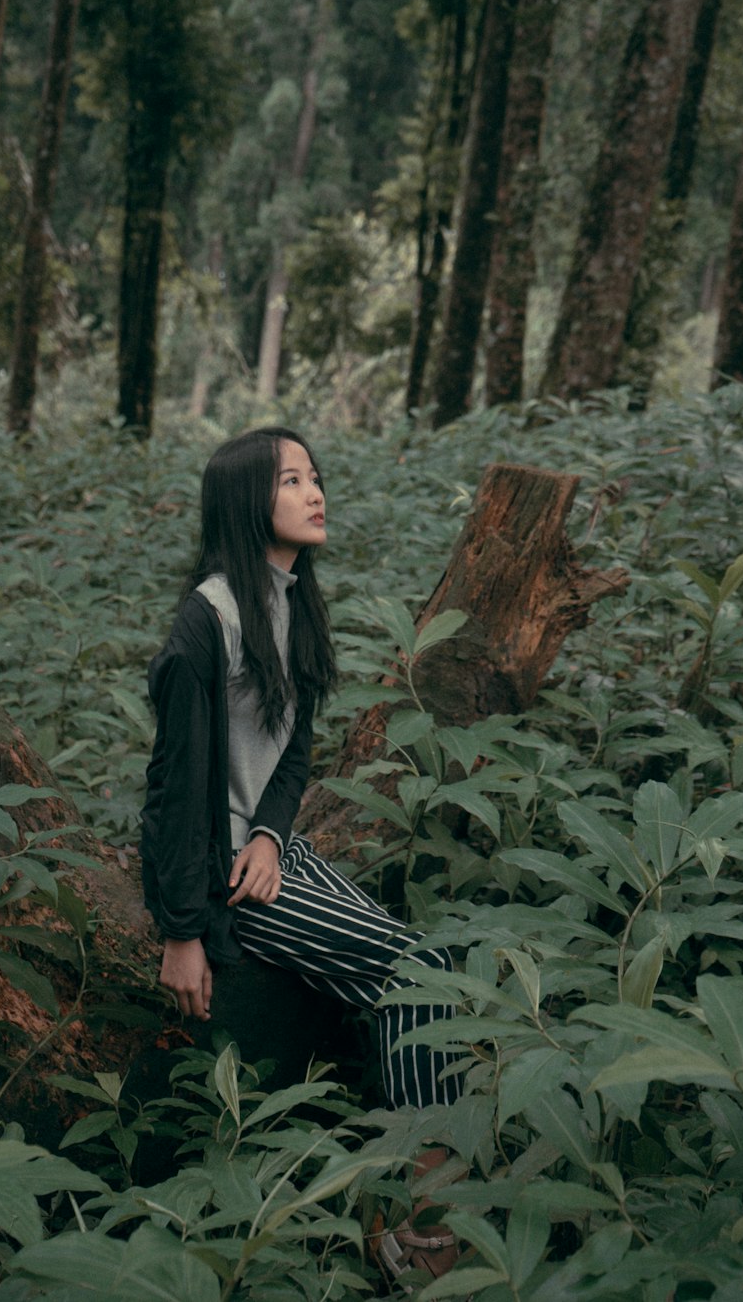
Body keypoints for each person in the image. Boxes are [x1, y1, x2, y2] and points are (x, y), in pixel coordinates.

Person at [140, 427, 462, 1283]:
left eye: (315, 476)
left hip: (270, 855)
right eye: (292, 480)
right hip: (220, 883)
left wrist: (276, 836)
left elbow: (294, 749)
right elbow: (173, 792)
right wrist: (181, 932)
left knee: (436, 969)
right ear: (250, 501)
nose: (315, 491)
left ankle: (411, 1186)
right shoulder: (204, 624)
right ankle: (420, 1227)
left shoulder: (291, 600)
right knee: (417, 974)